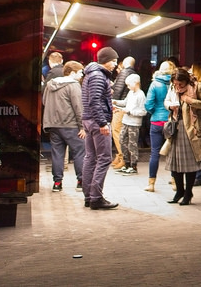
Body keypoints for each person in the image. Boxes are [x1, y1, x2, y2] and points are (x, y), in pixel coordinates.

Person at [164, 69, 201, 205]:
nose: (178, 87)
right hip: (175, 127)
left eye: (181, 84)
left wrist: (190, 100)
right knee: (175, 164)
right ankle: (179, 191)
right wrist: (169, 106)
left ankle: (188, 192)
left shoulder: (197, 87)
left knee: (190, 164)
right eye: (176, 84)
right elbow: (166, 100)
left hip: (191, 128)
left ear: (186, 81)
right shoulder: (173, 88)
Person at [81, 47, 120, 210]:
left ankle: (89, 196)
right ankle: (96, 197)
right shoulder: (98, 76)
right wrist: (103, 122)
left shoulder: (91, 74)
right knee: (104, 158)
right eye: (114, 61)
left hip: (89, 120)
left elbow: (95, 99)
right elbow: (94, 101)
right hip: (97, 122)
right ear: (106, 60)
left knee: (90, 157)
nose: (116, 64)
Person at [42, 60, 85, 192]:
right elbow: (78, 107)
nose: (81, 75)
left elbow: (44, 102)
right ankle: (81, 181)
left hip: (53, 125)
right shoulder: (74, 86)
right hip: (70, 125)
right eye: (79, 72)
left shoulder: (50, 85)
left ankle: (57, 183)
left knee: (57, 154)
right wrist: (82, 126)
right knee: (79, 152)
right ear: (72, 73)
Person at [144, 61, 174, 193]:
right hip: (171, 121)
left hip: (156, 121)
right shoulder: (175, 83)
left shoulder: (154, 84)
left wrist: (154, 112)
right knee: (173, 153)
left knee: (154, 153)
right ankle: (175, 181)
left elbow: (148, 104)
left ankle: (151, 184)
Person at [113, 74, 147, 174]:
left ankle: (133, 165)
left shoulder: (141, 95)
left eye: (128, 85)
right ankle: (126, 163)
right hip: (126, 121)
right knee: (122, 140)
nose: (127, 87)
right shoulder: (131, 92)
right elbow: (125, 102)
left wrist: (129, 112)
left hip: (134, 123)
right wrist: (115, 102)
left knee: (132, 144)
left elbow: (143, 111)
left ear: (135, 83)